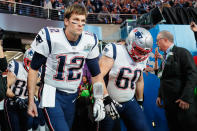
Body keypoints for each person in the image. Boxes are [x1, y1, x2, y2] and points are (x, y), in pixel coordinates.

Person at [27, 4, 106, 131]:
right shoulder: (51, 37)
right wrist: (31, 101)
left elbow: (96, 75)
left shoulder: (90, 40)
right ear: (66, 21)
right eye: (76, 20)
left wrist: (99, 99)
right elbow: (33, 68)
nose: (80, 24)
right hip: (51, 90)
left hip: (72, 95)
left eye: (83, 21)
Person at [99, 27, 153, 131]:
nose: (142, 55)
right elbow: (98, 77)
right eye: (139, 51)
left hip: (129, 102)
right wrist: (104, 100)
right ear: (130, 42)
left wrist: (140, 102)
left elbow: (139, 80)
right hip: (110, 101)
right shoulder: (114, 50)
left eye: (144, 52)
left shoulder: (142, 59)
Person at [155, 30, 197, 131]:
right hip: (169, 105)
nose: (156, 43)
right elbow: (163, 77)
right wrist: (160, 95)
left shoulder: (182, 52)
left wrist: (186, 98)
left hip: (182, 103)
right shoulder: (164, 57)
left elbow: (192, 75)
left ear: (165, 40)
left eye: (157, 41)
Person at [4, 48, 35, 131]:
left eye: (34, 63)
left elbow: (36, 89)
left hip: (26, 103)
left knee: (28, 127)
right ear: (25, 60)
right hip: (12, 103)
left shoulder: (38, 71)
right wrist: (16, 98)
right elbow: (5, 88)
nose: (31, 65)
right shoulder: (16, 67)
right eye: (29, 62)